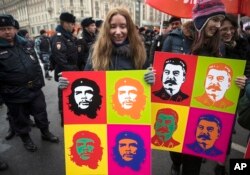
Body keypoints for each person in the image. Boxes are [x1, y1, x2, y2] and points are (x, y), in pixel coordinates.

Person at [161, 0, 226, 174]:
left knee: (192, 165)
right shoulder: (173, 39)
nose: (218, 25)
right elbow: (160, 71)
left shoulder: (218, 46)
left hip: (201, 111)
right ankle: (176, 162)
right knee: (175, 150)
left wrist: (237, 82)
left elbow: (222, 81)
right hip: (176, 106)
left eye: (220, 21)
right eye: (215, 20)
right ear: (201, 18)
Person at [58, 8, 155, 94]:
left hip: (129, 111)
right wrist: (69, 84)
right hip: (102, 111)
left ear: (129, 28)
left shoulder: (139, 51)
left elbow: (146, 90)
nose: (118, 32)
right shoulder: (96, 51)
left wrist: (151, 81)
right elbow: (85, 81)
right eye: (113, 26)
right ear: (107, 29)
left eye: (122, 26)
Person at [0, 15, 59, 152]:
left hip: (34, 89)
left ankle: (45, 133)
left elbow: (36, 65)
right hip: (14, 94)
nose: (7, 32)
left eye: (9, 28)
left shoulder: (25, 43)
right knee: (20, 119)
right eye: (2, 29)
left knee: (41, 114)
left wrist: (40, 83)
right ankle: (26, 139)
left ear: (15, 29)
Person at [50, 12, 79, 126]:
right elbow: (60, 59)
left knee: (71, 97)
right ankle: (65, 121)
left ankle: (72, 118)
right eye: (71, 24)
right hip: (65, 75)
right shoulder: (58, 37)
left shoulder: (68, 35)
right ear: (65, 23)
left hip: (71, 72)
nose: (73, 26)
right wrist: (74, 72)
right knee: (64, 98)